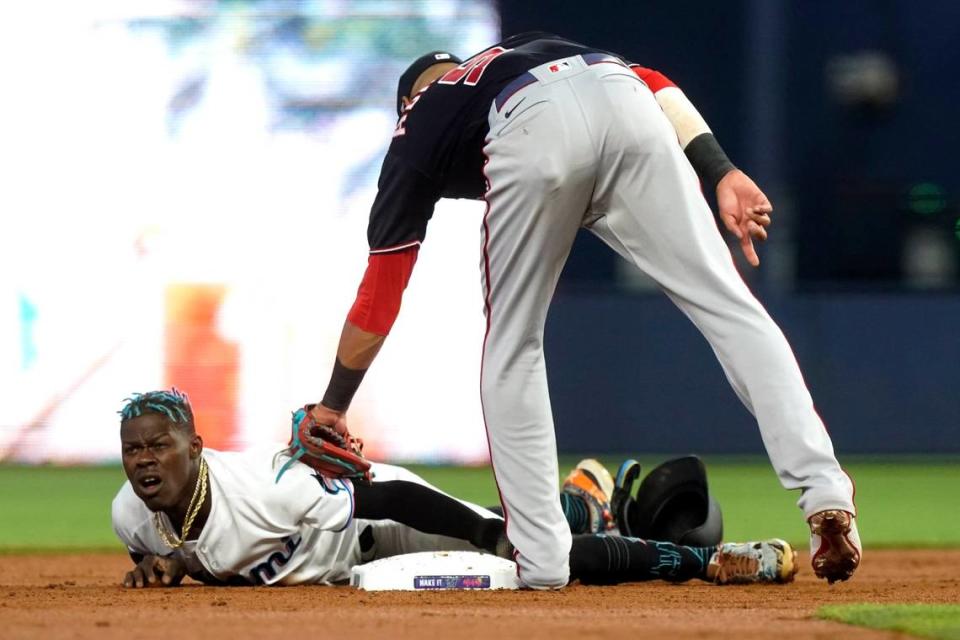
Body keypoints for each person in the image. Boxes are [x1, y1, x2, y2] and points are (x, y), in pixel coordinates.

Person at [304, 32, 860, 589]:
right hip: (623, 97)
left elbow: (379, 296)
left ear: (406, 104)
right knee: (731, 308)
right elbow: (657, 85)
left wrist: (334, 403)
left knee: (513, 345)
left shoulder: (416, 125)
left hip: (529, 122)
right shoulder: (516, 50)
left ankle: (542, 557)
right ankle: (826, 493)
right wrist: (721, 171)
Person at [113, 389, 797, 588]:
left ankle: (712, 561)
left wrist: (488, 533)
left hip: (387, 530)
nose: (146, 460)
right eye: (133, 449)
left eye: (159, 445)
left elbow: (386, 497)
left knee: (537, 560)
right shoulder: (131, 516)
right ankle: (585, 499)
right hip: (350, 569)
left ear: (194, 448)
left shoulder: (270, 486)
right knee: (537, 535)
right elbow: (193, 550)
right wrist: (166, 563)